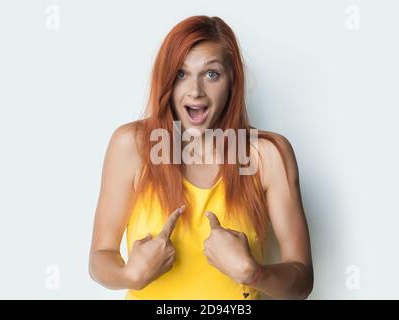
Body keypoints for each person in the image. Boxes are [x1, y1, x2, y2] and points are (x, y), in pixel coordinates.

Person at [88, 15, 313, 300]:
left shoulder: (268, 155)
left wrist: (255, 273)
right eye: (181, 73)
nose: (195, 91)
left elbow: (302, 281)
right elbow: (99, 256)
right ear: (167, 80)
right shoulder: (132, 146)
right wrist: (128, 275)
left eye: (211, 74)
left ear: (233, 81)